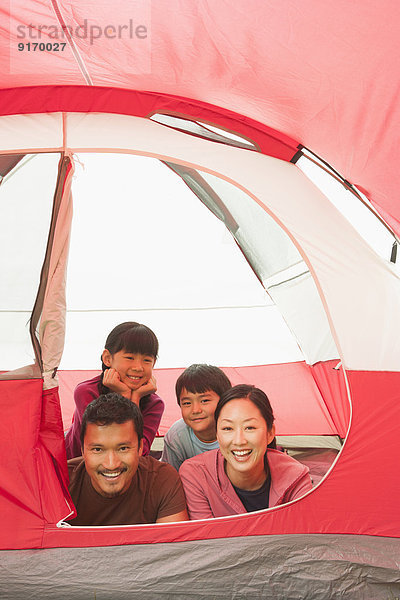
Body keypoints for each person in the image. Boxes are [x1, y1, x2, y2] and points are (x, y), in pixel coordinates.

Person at [179, 384, 313, 519]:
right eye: (227, 428)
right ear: (217, 435)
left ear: (270, 433)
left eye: (249, 428)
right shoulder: (196, 474)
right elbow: (204, 537)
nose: (239, 441)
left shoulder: (295, 477)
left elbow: (303, 536)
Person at [67, 393, 188, 526]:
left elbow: (174, 545)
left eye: (123, 448)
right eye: (98, 449)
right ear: (83, 450)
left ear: (140, 447)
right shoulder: (61, 484)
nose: (111, 464)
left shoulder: (162, 480)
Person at [65, 322, 164, 460]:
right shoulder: (87, 392)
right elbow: (103, 441)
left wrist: (134, 398)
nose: (138, 367)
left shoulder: (155, 404)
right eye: (130, 357)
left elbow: (138, 451)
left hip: (123, 468)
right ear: (107, 358)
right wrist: (124, 395)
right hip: (76, 465)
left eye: (147, 360)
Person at [161, 364, 232, 471]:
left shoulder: (236, 433)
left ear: (224, 401)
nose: (196, 410)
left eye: (204, 401)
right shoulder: (176, 437)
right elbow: (171, 478)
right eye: (187, 403)